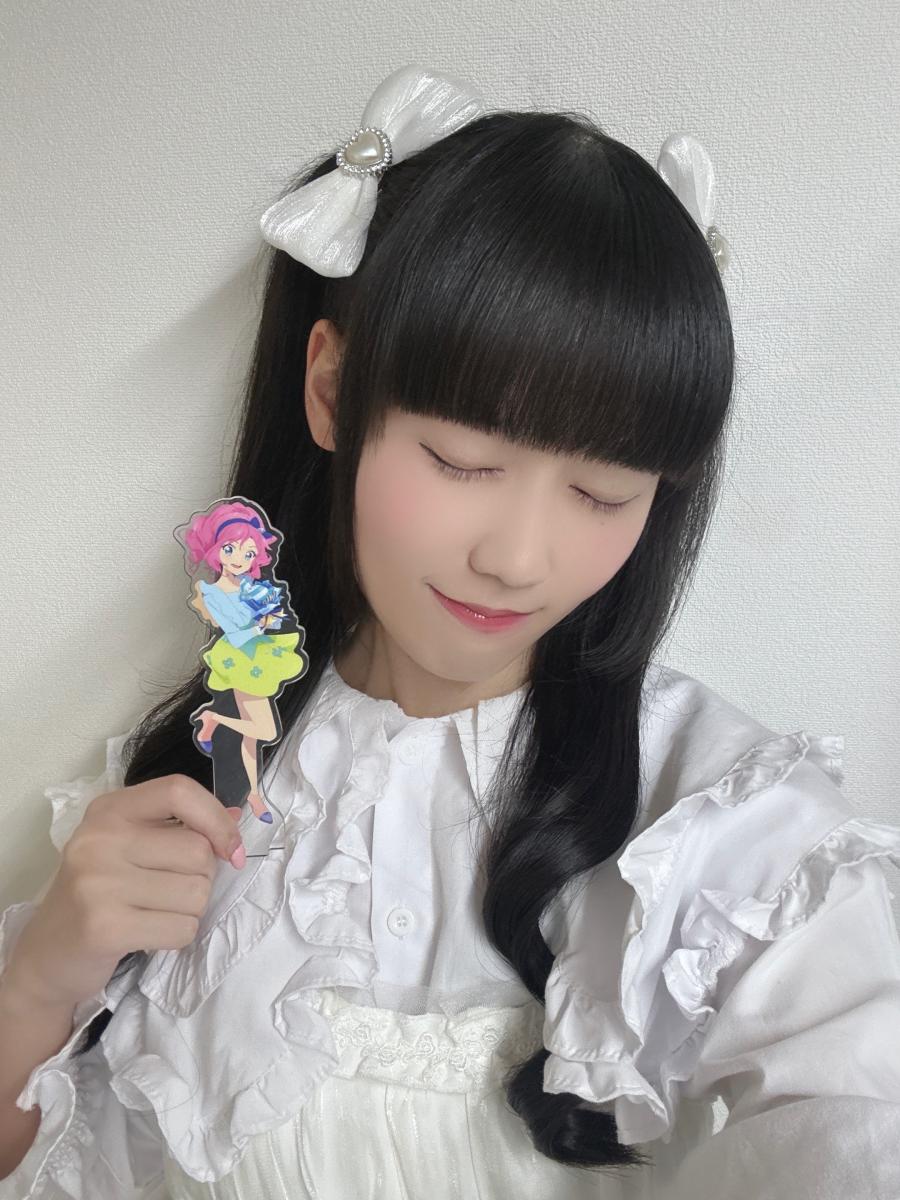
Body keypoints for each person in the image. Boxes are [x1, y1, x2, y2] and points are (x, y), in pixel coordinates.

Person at [2, 62, 900, 1200]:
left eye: (604, 493)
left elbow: (860, 1104)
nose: (519, 559)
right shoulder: (210, 765)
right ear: (331, 390)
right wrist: (41, 979)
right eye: (464, 461)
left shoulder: (711, 817)